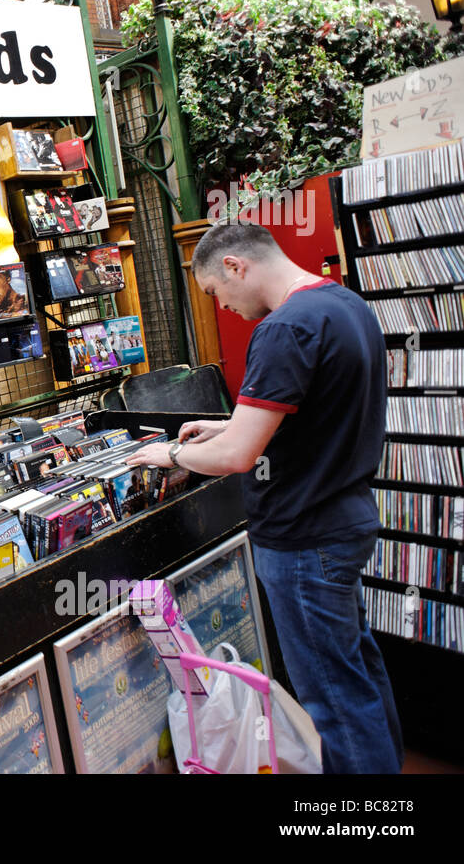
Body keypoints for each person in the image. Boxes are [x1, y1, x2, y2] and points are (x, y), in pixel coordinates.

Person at [127, 220, 402, 774]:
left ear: (234, 266)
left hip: (305, 538)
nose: (222, 306)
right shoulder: (344, 305)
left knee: (333, 698)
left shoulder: (283, 329)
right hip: (344, 521)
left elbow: (237, 458)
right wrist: (225, 425)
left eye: (215, 292)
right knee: (356, 677)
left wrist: (172, 457)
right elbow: (301, 416)